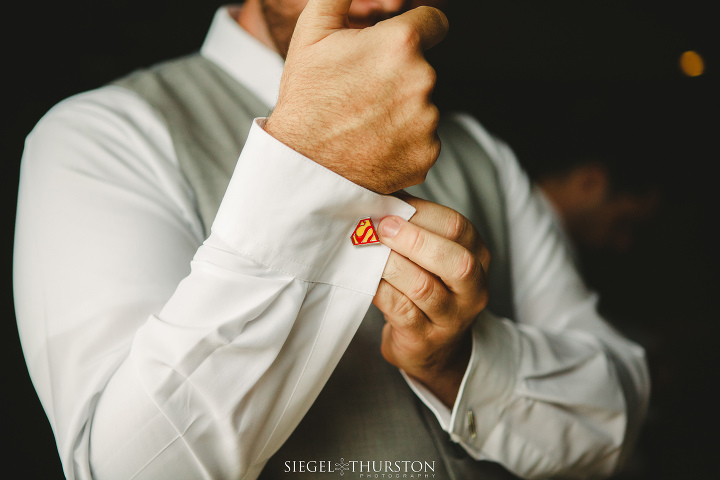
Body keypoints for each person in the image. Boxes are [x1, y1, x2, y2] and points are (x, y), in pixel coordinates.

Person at [13, 1, 650, 479]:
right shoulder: (101, 135)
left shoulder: (482, 151)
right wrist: (312, 163)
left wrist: (456, 365)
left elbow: (617, 422)